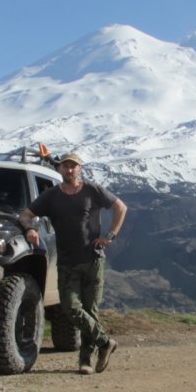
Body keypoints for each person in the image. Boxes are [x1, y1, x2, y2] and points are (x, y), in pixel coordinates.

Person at [19, 152, 127, 375]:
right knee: (70, 307)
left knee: (90, 310)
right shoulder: (51, 196)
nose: (69, 170)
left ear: (80, 169)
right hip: (66, 261)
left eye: (73, 166)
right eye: (65, 167)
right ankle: (105, 342)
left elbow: (121, 208)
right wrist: (30, 229)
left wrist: (111, 236)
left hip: (93, 259)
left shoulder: (92, 190)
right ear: (59, 169)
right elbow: (25, 215)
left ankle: (85, 361)